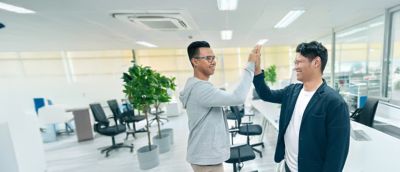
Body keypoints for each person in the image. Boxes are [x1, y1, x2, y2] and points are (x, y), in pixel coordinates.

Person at [253, 41, 350, 172]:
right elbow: (266, 94)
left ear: (316, 63)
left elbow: (337, 153)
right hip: (289, 166)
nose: (295, 67)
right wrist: (257, 70)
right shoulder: (292, 91)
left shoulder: (335, 103)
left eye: (299, 62)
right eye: (295, 63)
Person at [179, 41, 260, 172]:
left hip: (205, 156)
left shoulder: (198, 86)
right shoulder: (200, 89)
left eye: (213, 58)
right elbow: (237, 98)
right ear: (195, 62)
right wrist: (250, 66)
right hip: (206, 158)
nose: (213, 61)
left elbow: (231, 96)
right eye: (208, 58)